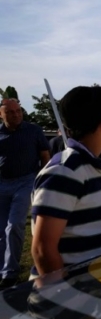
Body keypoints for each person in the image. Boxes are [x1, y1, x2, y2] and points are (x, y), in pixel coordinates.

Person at [31, 86, 101, 278]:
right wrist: (61, 294)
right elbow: (43, 249)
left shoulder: (99, 167)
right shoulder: (64, 172)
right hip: (69, 298)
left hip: (95, 290)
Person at [0, 98, 50, 289]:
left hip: (26, 181)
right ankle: (3, 269)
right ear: (1, 114)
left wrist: (43, 180)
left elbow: (45, 156)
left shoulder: (33, 131)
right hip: (2, 184)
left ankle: (10, 273)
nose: (16, 115)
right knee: (1, 231)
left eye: (18, 111)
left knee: (14, 225)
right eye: (10, 112)